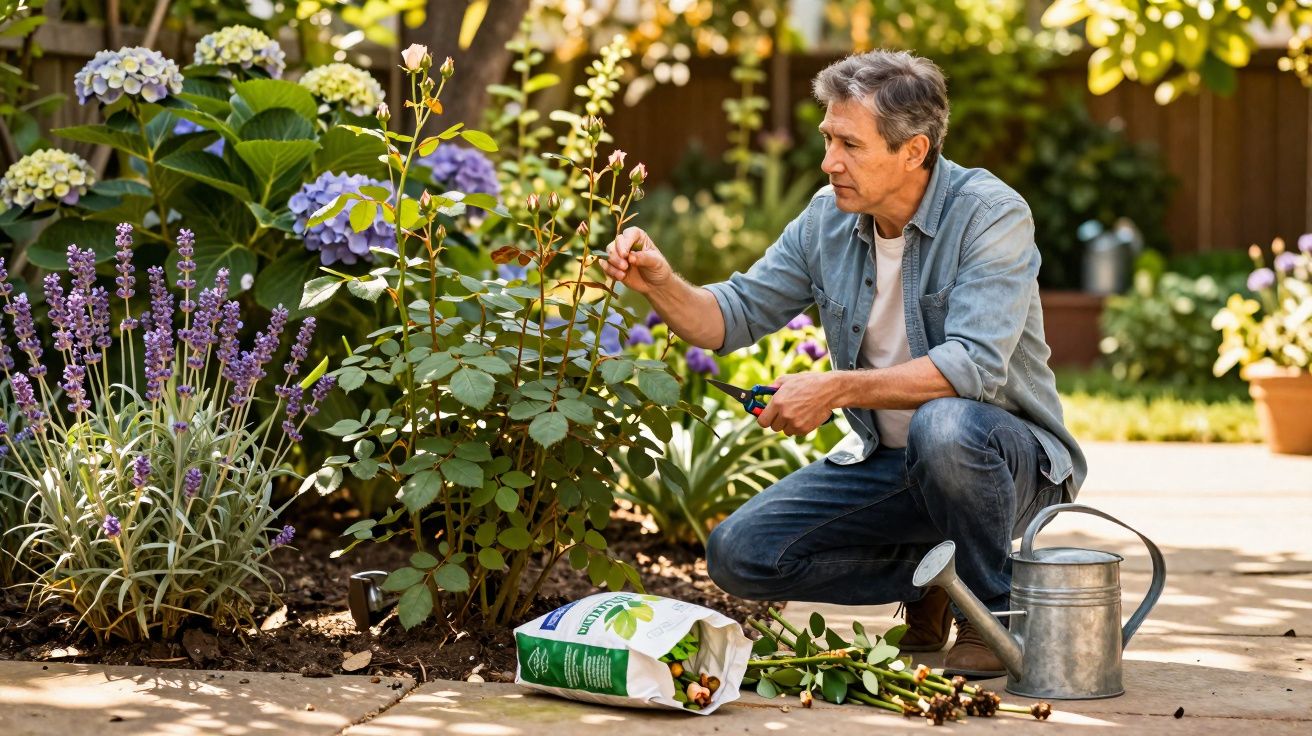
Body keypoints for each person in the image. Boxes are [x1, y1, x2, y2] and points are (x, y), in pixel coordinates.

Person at [600, 49, 1085, 678]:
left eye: (850, 145)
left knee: (945, 424)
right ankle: (934, 581)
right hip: (891, 467)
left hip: (1003, 463)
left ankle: (992, 613)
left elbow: (972, 368)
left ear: (913, 151)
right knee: (740, 554)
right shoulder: (826, 219)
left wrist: (832, 389)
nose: (829, 161)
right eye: (829, 138)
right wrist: (661, 282)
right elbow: (730, 316)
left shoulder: (990, 215)